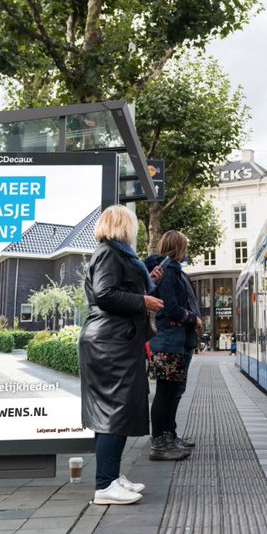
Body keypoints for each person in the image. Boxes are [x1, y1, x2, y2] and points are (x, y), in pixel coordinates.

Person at [78, 205, 164, 505]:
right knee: (114, 411)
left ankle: (111, 477)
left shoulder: (115, 254)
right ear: (122, 226)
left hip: (114, 340)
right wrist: (142, 300)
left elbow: (115, 289)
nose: (136, 231)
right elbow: (105, 294)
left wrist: (146, 284)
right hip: (110, 343)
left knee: (115, 411)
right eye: (132, 225)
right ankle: (104, 486)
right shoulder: (109, 253)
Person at [143, 230, 200, 460]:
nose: (186, 251)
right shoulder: (168, 272)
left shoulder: (168, 270)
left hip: (171, 341)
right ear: (178, 247)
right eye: (184, 247)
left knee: (169, 391)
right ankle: (159, 443)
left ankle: (167, 437)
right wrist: (192, 318)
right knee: (165, 392)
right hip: (167, 341)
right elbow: (169, 308)